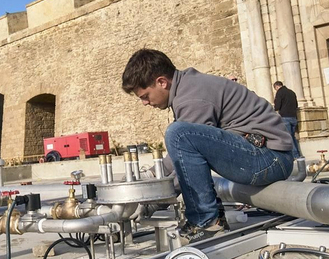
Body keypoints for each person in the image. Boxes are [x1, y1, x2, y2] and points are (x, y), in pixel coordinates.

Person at [122, 48, 293, 238]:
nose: (145, 103)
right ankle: (213, 216)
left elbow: (183, 161)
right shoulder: (188, 86)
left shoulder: (191, 97)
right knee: (179, 134)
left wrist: (154, 200)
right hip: (262, 153)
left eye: (145, 96)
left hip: (270, 160)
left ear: (162, 82)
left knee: (177, 133)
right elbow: (185, 157)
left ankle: (206, 221)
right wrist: (153, 175)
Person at [272, 80, 302, 158]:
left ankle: (295, 155)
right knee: (293, 136)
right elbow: (296, 105)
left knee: (288, 137)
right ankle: (297, 153)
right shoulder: (292, 92)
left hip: (285, 117)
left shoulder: (279, 92)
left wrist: (275, 107)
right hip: (293, 117)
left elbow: (277, 106)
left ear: (277, 87)